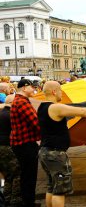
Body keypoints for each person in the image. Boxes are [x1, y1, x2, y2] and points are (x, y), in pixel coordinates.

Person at [38, 81, 86, 207]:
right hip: (56, 154)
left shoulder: (42, 107)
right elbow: (81, 111)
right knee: (59, 191)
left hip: (45, 152)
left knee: (51, 187)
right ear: (54, 92)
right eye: (60, 91)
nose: (61, 93)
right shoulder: (55, 107)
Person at [10, 79, 40, 207]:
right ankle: (29, 202)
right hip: (25, 143)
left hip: (21, 142)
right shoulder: (22, 102)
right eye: (32, 87)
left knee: (26, 173)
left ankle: (27, 201)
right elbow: (36, 122)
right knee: (29, 174)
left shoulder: (18, 101)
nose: (34, 89)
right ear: (24, 88)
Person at [0, 94, 23, 207]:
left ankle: (6, 198)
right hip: (7, 146)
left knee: (7, 174)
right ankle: (16, 201)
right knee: (17, 173)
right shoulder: (11, 115)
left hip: (1, 147)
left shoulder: (1, 113)